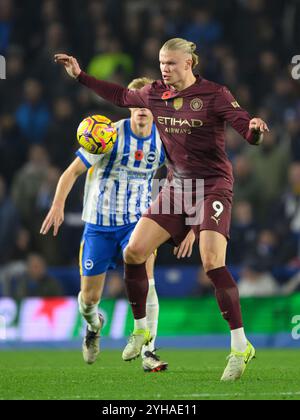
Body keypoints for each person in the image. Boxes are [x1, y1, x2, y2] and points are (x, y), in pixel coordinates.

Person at [54, 37, 269, 381]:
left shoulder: (215, 94)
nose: (165, 69)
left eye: (171, 63)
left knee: (212, 262)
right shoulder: (154, 93)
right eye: (161, 63)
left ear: (189, 64)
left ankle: (240, 344)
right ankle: (141, 329)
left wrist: (256, 132)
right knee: (135, 252)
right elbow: (118, 95)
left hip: (211, 184)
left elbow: (247, 129)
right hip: (177, 186)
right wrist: (80, 75)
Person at [40, 76, 194, 372]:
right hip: (98, 226)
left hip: (137, 224)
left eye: (146, 103)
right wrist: (58, 205)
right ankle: (94, 324)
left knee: (148, 285)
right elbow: (71, 173)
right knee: (89, 300)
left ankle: (150, 352)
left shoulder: (163, 141)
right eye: (135, 103)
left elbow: (183, 177)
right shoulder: (108, 136)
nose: (141, 109)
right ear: (129, 107)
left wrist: (186, 222)